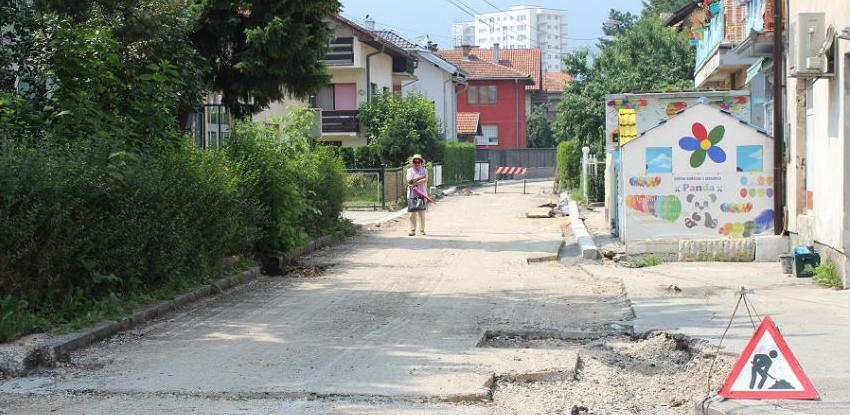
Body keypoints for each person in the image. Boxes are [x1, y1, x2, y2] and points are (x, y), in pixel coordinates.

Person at [406, 154, 428, 236]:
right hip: (412, 194)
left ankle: (422, 230)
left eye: (419, 162)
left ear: (421, 162)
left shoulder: (424, 170)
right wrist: (420, 178)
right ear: (413, 162)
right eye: (415, 161)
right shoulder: (409, 170)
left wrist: (415, 182)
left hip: (421, 193)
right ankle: (413, 230)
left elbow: (425, 180)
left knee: (421, 213)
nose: (417, 163)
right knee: (412, 213)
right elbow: (409, 181)